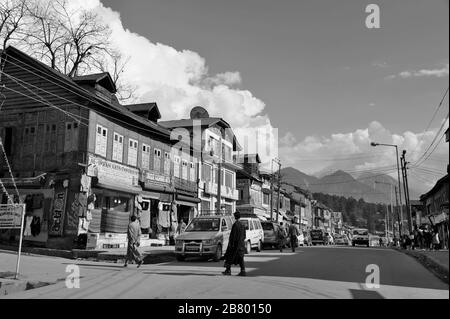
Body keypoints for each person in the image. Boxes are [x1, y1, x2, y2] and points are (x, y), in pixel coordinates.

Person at [223, 211, 247, 276]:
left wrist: (231, 244)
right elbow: (244, 236)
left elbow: (233, 236)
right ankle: (243, 271)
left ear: (235, 217)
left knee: (229, 257)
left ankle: (228, 270)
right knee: (241, 258)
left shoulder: (235, 225)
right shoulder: (242, 225)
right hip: (241, 245)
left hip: (234, 245)